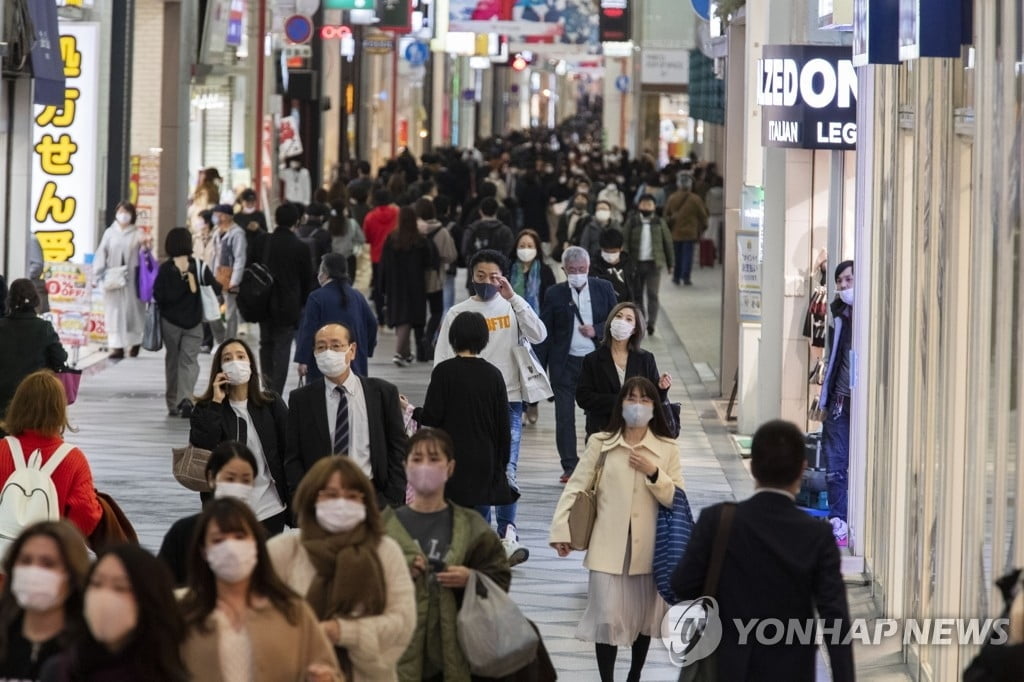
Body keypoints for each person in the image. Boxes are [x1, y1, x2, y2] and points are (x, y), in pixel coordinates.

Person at [672, 419, 855, 682]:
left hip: (726, 667)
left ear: (753, 466)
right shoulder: (818, 536)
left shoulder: (718, 521)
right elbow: (834, 619)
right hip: (791, 670)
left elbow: (682, 585)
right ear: (801, 469)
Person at [549, 377, 684, 682]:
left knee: (642, 620)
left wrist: (654, 473)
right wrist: (561, 530)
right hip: (606, 547)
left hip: (648, 549)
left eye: (645, 400)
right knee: (606, 618)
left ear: (654, 407)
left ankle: (634, 676)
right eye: (631, 399)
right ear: (621, 404)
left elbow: (677, 497)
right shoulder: (601, 443)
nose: (637, 406)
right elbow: (576, 487)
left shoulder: (666, 448)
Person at [434, 249, 547, 563]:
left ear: (504, 277)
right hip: (467, 404)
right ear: (471, 276)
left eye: (493, 276)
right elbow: (441, 358)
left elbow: (539, 335)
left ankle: (507, 532)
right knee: (478, 469)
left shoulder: (513, 308)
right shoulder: (457, 312)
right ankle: (482, 536)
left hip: (508, 400)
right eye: (480, 276)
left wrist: (515, 299)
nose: (486, 282)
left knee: (506, 468)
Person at [268, 457, 416, 681]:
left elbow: (402, 623)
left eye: (352, 496)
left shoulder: (385, 551)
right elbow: (261, 624)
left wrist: (343, 632)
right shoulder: (283, 552)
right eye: (331, 495)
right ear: (312, 498)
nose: (341, 503)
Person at [382, 428, 513, 680]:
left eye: (434, 459)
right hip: (399, 650)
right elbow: (361, 586)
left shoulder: (472, 526)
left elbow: (500, 578)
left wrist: (471, 579)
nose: (425, 467)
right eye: (417, 459)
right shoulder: (385, 527)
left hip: (458, 649)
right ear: (405, 467)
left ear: (450, 467)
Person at [180, 498, 342, 682]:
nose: (230, 548)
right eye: (218, 540)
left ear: (256, 543)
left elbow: (328, 669)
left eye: (239, 537)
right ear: (203, 550)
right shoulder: (184, 615)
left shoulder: (292, 611)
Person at [285, 323, 408, 507]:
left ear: (352, 350)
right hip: (322, 499)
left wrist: (391, 498)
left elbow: (398, 448)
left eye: (336, 346)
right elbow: (292, 456)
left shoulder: (383, 394)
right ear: (314, 353)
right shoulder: (301, 400)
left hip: (373, 497)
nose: (328, 352)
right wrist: (305, 500)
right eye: (321, 347)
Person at [407, 313, 515, 513]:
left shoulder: (444, 372)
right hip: (484, 459)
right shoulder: (493, 375)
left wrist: (409, 410)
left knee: (452, 517)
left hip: (451, 459)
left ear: (453, 337)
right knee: (477, 517)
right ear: (483, 339)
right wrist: (501, 462)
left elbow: (432, 416)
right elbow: (503, 426)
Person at [39, 544, 189, 681]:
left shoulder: (170, 676)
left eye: (120, 587)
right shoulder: (58, 671)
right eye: (97, 584)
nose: (104, 596)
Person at [189, 339, 290, 533]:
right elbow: (202, 448)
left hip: (269, 507)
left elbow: (289, 447)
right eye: (228, 358)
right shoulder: (206, 408)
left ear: (250, 363)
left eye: (241, 356)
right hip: (224, 507)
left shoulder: (271, 403)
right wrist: (216, 403)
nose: (235, 362)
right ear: (220, 368)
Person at [536, 246, 617, 481]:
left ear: (589, 268)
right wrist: (538, 370)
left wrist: (597, 329)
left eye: (581, 269)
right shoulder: (554, 293)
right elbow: (544, 333)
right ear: (564, 270)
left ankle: (594, 460)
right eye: (572, 270)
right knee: (564, 417)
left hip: (596, 363)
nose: (577, 273)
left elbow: (617, 318)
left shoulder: (603, 288)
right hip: (565, 364)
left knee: (597, 415)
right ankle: (570, 466)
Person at [0, 371, 102, 541]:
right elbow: (86, 514)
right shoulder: (73, 459)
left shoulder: (2, 450)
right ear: (59, 410)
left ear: (17, 405)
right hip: (49, 556)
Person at [157, 441, 260, 586]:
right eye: (230, 478)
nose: (237, 486)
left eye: (245, 480)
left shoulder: (258, 536)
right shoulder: (183, 532)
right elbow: (160, 586)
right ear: (212, 478)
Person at [0, 521, 90, 681]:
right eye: (26, 561)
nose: (33, 572)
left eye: (48, 564)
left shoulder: (90, 647)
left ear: (72, 573)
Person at [576, 302, 671, 440]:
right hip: (602, 432)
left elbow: (655, 399)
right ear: (611, 322)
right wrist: (620, 402)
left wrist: (661, 388)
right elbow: (583, 398)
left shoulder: (645, 359)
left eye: (628, 319)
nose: (622, 321)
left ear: (634, 329)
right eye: (618, 316)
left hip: (638, 434)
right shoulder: (593, 359)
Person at [153, 228, 217, 418]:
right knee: (189, 361)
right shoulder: (199, 266)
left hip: (170, 323)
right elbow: (215, 288)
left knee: (172, 360)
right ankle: (186, 399)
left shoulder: (165, 269)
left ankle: (173, 403)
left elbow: (158, 295)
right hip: (194, 323)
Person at [258, 203, 315, 395]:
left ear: (276, 219)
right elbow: (308, 279)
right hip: (288, 305)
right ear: (297, 221)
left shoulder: (263, 242)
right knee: (282, 348)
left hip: (263, 302)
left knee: (265, 344)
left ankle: (266, 386)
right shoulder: (300, 247)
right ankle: (275, 393)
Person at [296, 255, 378, 381]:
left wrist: (303, 360)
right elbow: (372, 324)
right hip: (353, 363)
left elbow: (308, 330)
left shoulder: (316, 297)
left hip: (323, 365)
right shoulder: (357, 296)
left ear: (325, 273)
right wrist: (364, 350)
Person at [819, 260, 855, 547]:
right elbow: (832, 359)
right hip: (841, 399)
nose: (843, 286)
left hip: (865, 403)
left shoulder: (873, 314)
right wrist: (825, 398)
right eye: (840, 281)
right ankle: (838, 520)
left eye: (848, 280)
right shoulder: (838, 312)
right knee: (836, 462)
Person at [0, 281, 67, 421]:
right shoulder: (44, 328)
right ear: (36, 300)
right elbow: (60, 358)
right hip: (34, 397)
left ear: (9, 300)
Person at [380, 206, 436, 367]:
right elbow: (429, 262)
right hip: (416, 284)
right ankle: (399, 353)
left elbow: (384, 265)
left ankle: (405, 352)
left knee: (400, 316)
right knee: (409, 317)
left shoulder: (391, 239)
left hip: (395, 284)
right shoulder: (420, 240)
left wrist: (382, 286)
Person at [93, 201, 147, 359]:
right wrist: (98, 274)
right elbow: (101, 253)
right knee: (114, 312)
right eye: (121, 211)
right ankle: (116, 346)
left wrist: (146, 245)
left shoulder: (138, 233)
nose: (123, 215)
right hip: (113, 279)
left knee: (133, 312)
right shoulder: (110, 232)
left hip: (133, 280)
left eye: (126, 212)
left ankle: (135, 342)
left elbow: (145, 255)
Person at [621, 194, 673, 335]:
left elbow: (667, 242)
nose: (646, 207)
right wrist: (625, 260)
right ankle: (641, 322)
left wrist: (670, 263)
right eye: (644, 204)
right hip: (636, 264)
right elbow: (624, 241)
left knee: (652, 294)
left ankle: (652, 324)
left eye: (649, 204)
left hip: (654, 264)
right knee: (637, 295)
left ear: (654, 207)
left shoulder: (659, 222)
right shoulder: (632, 222)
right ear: (639, 206)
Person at [414, 198, 457, 360]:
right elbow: (451, 255)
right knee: (437, 311)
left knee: (418, 314)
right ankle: (429, 338)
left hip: (415, 279)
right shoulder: (442, 231)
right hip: (435, 279)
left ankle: (419, 346)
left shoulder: (411, 230)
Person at [211, 203, 247, 342]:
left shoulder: (237, 233)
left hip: (229, 275)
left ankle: (229, 340)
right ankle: (220, 338)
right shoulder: (217, 232)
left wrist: (235, 281)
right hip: (216, 275)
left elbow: (239, 258)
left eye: (218, 215)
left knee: (230, 311)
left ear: (226, 216)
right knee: (212, 309)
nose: (215, 218)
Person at [664, 173, 709, 286]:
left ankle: (676, 277)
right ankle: (686, 277)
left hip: (675, 232)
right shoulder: (696, 199)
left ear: (678, 185)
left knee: (677, 255)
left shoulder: (672, 198)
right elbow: (703, 215)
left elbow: (666, 215)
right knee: (687, 256)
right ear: (690, 185)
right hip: (690, 232)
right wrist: (704, 227)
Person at [363, 189, 400, 325]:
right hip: (394, 255)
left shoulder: (370, 217)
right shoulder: (397, 213)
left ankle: (380, 317)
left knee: (378, 287)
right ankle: (392, 314)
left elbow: (366, 238)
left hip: (377, 256)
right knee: (393, 285)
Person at [461, 197, 515, 284]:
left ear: (480, 211)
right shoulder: (505, 231)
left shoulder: (471, 230)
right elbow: (510, 253)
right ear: (497, 211)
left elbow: (465, 251)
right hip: (498, 276)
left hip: (475, 276)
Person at [589, 228, 634, 303]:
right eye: (606, 251)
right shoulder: (593, 266)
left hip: (624, 308)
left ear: (621, 249)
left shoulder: (629, 265)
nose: (610, 255)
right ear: (601, 248)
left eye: (614, 252)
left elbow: (637, 293)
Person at [329, 199, 367, 282]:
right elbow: (362, 239)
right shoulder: (352, 223)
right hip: (349, 258)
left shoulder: (327, 225)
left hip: (331, 259)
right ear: (343, 211)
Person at [553, 191, 592, 262]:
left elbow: (584, 235)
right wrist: (564, 242)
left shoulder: (588, 218)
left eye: (583, 199)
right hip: (563, 247)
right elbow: (560, 231)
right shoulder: (566, 215)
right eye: (578, 198)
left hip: (579, 249)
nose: (580, 201)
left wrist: (573, 243)